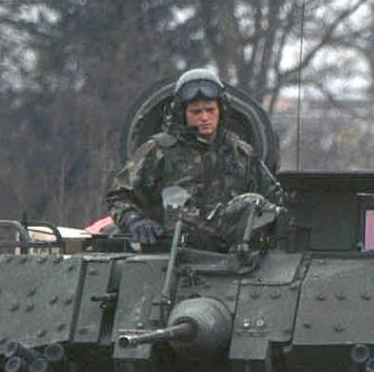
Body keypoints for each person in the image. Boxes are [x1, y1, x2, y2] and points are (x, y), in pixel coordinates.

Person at [106, 65, 282, 248]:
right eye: (196, 112)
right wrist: (134, 220)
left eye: (210, 110)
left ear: (221, 110)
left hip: (231, 254)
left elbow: (272, 200)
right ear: (182, 113)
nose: (204, 117)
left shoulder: (241, 154)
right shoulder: (158, 151)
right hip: (170, 251)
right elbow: (119, 197)